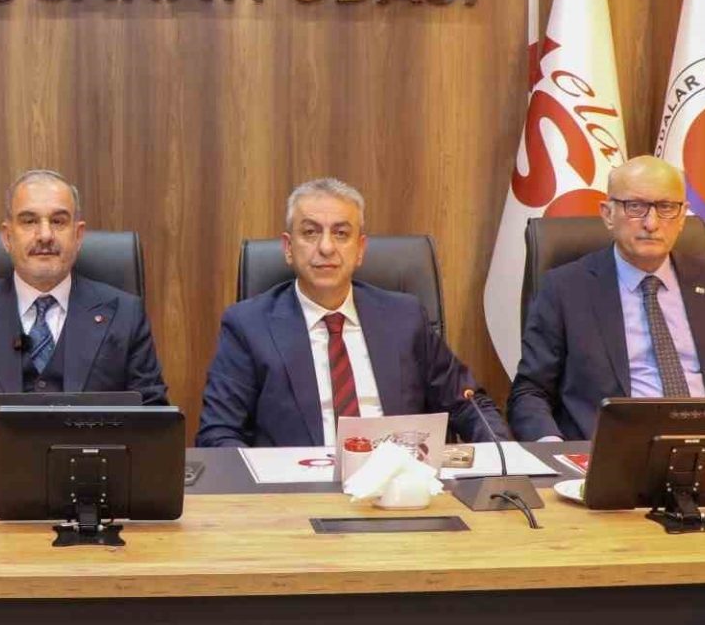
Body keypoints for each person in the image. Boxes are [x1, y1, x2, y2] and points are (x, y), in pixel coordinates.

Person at [509, 156, 705, 441]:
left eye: (666, 207)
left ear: (682, 217)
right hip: (611, 454)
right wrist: (554, 450)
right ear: (608, 214)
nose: (652, 223)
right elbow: (531, 392)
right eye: (635, 206)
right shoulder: (566, 289)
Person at [197, 178, 508, 447]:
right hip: (298, 489)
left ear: (360, 249)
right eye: (310, 232)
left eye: (341, 234)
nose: (326, 248)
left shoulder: (405, 318)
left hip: (397, 485)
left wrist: (505, 457)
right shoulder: (248, 327)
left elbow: (469, 404)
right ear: (288, 248)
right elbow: (219, 433)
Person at [0, 170, 169, 448]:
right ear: (7, 237)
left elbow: (157, 418)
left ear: (78, 235)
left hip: (92, 472)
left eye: (58, 221)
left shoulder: (125, 313)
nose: (45, 235)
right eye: (29, 221)